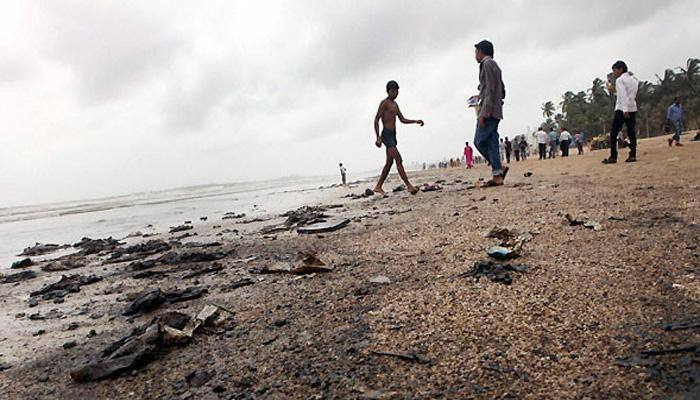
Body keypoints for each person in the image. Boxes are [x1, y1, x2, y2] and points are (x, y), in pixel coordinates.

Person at [373, 80, 424, 195]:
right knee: (399, 160)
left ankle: (378, 186)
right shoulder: (384, 103)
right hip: (386, 135)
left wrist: (415, 121)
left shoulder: (395, 105)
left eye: (397, 91)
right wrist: (378, 137)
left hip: (393, 135)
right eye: (393, 91)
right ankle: (409, 186)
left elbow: (402, 119)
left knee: (389, 163)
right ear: (388, 91)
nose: (395, 93)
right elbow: (376, 119)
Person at [473, 40, 508, 186]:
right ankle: (498, 174)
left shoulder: (486, 64)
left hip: (490, 111)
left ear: (482, 51)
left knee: (479, 141)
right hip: (496, 109)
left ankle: (498, 168)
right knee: (492, 141)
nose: (475, 55)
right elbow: (501, 90)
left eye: (476, 52)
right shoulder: (495, 66)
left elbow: (490, 90)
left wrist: (483, 113)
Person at [602, 60, 639, 164]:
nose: (614, 73)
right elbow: (628, 94)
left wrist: (625, 109)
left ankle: (613, 156)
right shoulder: (634, 80)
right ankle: (633, 154)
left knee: (614, 133)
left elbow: (622, 95)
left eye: (614, 70)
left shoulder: (620, 80)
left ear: (620, 69)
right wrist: (614, 92)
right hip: (632, 107)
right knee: (631, 132)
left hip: (622, 109)